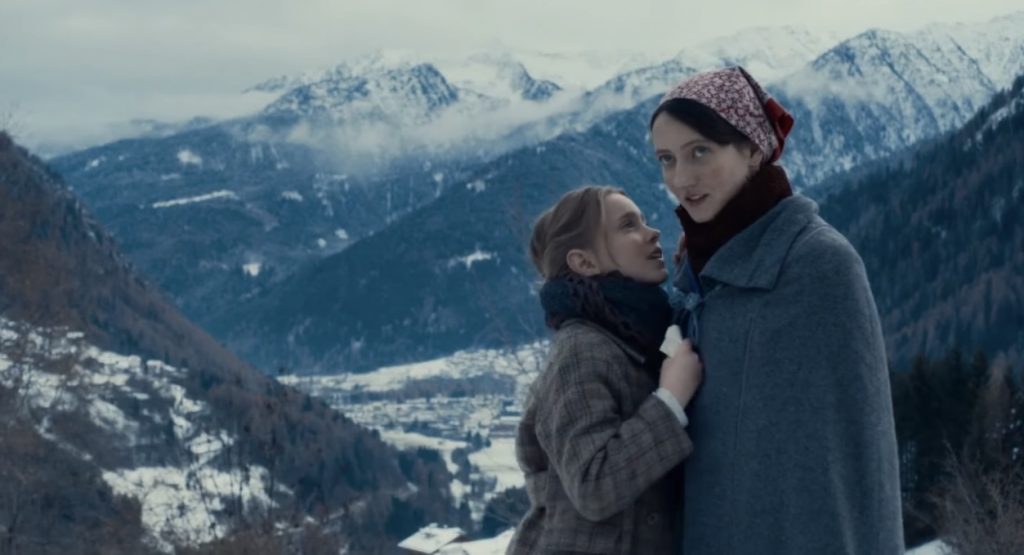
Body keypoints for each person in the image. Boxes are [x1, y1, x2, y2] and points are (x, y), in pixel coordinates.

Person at [650, 66, 904, 554]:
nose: (680, 179)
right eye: (666, 159)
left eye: (700, 152)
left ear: (752, 148)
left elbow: (849, 461)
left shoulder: (818, 264)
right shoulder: (697, 268)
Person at [507, 186, 703, 554]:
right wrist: (670, 402)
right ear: (584, 263)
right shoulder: (581, 349)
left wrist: (693, 273)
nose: (653, 232)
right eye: (629, 226)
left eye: (644, 220)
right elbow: (593, 486)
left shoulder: (631, 334)